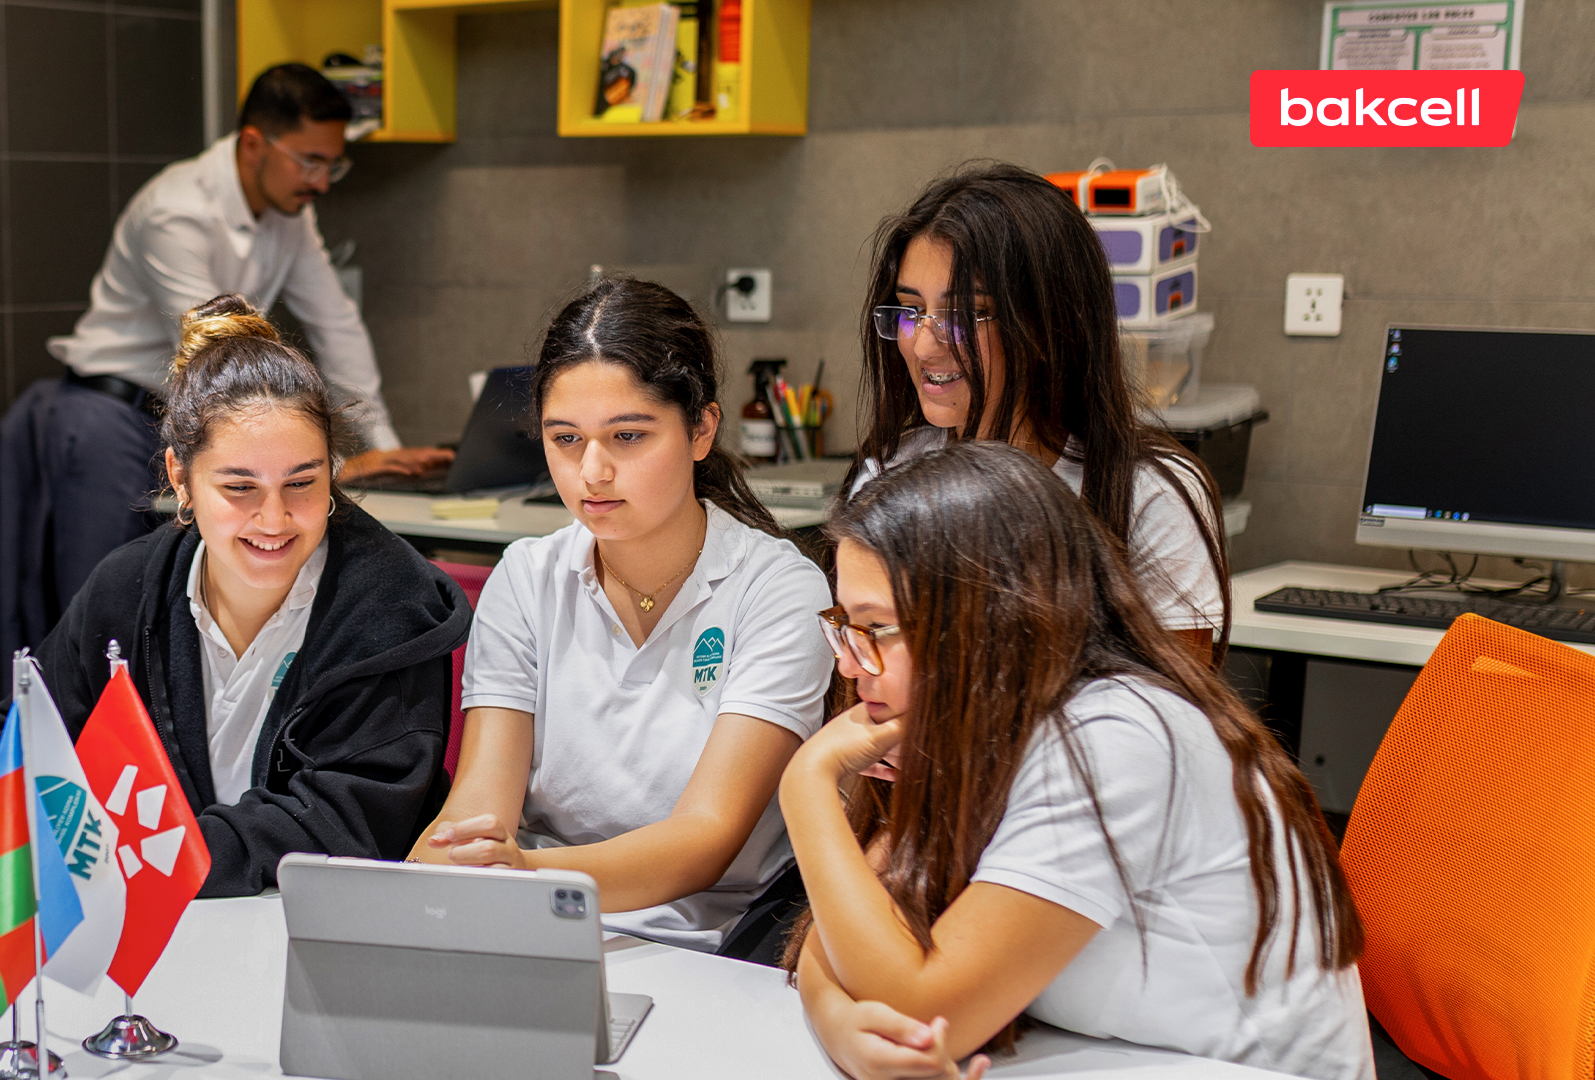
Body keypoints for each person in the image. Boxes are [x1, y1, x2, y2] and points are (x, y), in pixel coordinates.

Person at [786, 443, 1373, 1080]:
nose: (849, 664)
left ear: (985, 620)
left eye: (875, 629)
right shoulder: (974, 723)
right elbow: (850, 931)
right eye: (845, 626)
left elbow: (920, 1006)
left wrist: (807, 784)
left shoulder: (1117, 737)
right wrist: (839, 1023)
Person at [0, 294, 472, 896]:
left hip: (324, 919)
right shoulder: (127, 585)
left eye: (302, 482)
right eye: (240, 487)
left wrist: (150, 855)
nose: (274, 519)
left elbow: (348, 822)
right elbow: (25, 739)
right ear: (181, 478)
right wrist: (2, 799)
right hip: (165, 909)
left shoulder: (389, 604)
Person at [409, 279, 836, 956]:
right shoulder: (527, 576)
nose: (593, 471)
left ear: (702, 429)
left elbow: (704, 839)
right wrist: (439, 871)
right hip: (533, 924)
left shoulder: (777, 589)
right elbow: (478, 808)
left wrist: (525, 876)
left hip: (710, 945)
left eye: (628, 436)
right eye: (565, 438)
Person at [0, 63, 451, 664]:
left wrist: (383, 448)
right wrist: (340, 458)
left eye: (332, 165)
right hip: (113, 415)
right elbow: (215, 352)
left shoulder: (290, 214)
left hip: (204, 420)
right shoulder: (176, 210)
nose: (320, 182)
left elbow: (335, 321)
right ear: (254, 144)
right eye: (309, 161)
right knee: (110, 616)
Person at [844, 162, 1226, 663]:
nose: (923, 345)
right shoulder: (889, 475)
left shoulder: (1147, 494)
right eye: (910, 311)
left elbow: (1175, 702)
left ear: (1046, 326)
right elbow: (863, 674)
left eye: (963, 315)